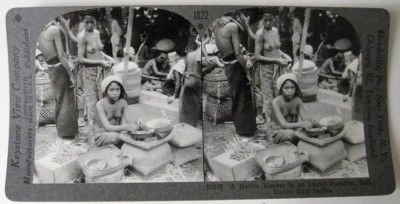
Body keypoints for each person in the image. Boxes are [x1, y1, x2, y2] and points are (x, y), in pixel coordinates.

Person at [211, 15, 257, 138]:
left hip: (227, 63)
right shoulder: (232, 26)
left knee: (235, 96)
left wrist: (231, 18)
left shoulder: (215, 23)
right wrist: (247, 70)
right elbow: (237, 53)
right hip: (235, 64)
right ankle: (245, 131)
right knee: (243, 97)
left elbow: (240, 28)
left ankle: (240, 129)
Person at [37, 17, 78, 138]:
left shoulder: (41, 30)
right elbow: (61, 55)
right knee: (67, 100)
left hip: (51, 68)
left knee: (60, 99)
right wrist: (70, 75)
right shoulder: (54, 29)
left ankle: (63, 132)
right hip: (60, 67)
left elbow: (43, 50)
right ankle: (68, 134)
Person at [77, 10, 115, 125]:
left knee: (103, 97)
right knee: (92, 101)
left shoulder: (97, 33)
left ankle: (102, 125)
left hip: (101, 70)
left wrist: (107, 57)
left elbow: (98, 50)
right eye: (86, 22)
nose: (89, 25)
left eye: (92, 22)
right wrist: (100, 62)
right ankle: (93, 130)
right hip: (89, 71)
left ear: (96, 22)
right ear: (83, 22)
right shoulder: (82, 36)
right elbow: (80, 59)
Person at [254, 13, 292, 123]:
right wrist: (276, 60)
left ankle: (280, 120)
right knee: (269, 96)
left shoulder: (275, 31)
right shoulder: (260, 34)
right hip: (266, 68)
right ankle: (270, 124)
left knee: (280, 92)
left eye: (270, 20)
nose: (267, 23)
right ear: (263, 20)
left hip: (278, 66)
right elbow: (257, 56)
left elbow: (276, 49)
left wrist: (284, 55)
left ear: (274, 20)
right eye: (265, 20)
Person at [95, 75, 138, 147]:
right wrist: (127, 127)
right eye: (111, 90)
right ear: (105, 91)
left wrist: (137, 123)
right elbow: (107, 128)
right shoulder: (100, 104)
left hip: (119, 134)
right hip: (103, 135)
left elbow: (130, 122)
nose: (115, 93)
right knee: (116, 137)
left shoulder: (123, 103)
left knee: (133, 134)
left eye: (118, 89)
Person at [270, 73, 312, 144]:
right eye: (286, 88)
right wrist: (301, 124)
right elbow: (283, 124)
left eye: (292, 87)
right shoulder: (276, 102)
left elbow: (305, 119)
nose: (290, 91)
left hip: (294, 130)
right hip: (279, 131)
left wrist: (310, 123)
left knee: (308, 132)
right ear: (281, 89)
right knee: (290, 135)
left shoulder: (298, 100)